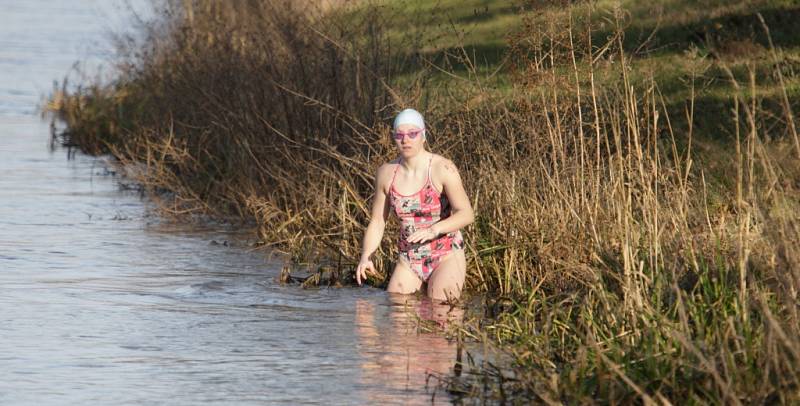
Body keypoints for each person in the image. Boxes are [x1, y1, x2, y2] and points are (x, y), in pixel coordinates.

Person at [355, 108, 474, 301]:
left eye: (412, 134)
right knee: (396, 309)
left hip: (445, 254)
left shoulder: (442, 168)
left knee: (441, 308)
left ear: (423, 135)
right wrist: (366, 256)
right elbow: (377, 221)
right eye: (399, 135)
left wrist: (435, 229)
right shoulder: (386, 173)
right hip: (409, 258)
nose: (406, 140)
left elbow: (466, 213)